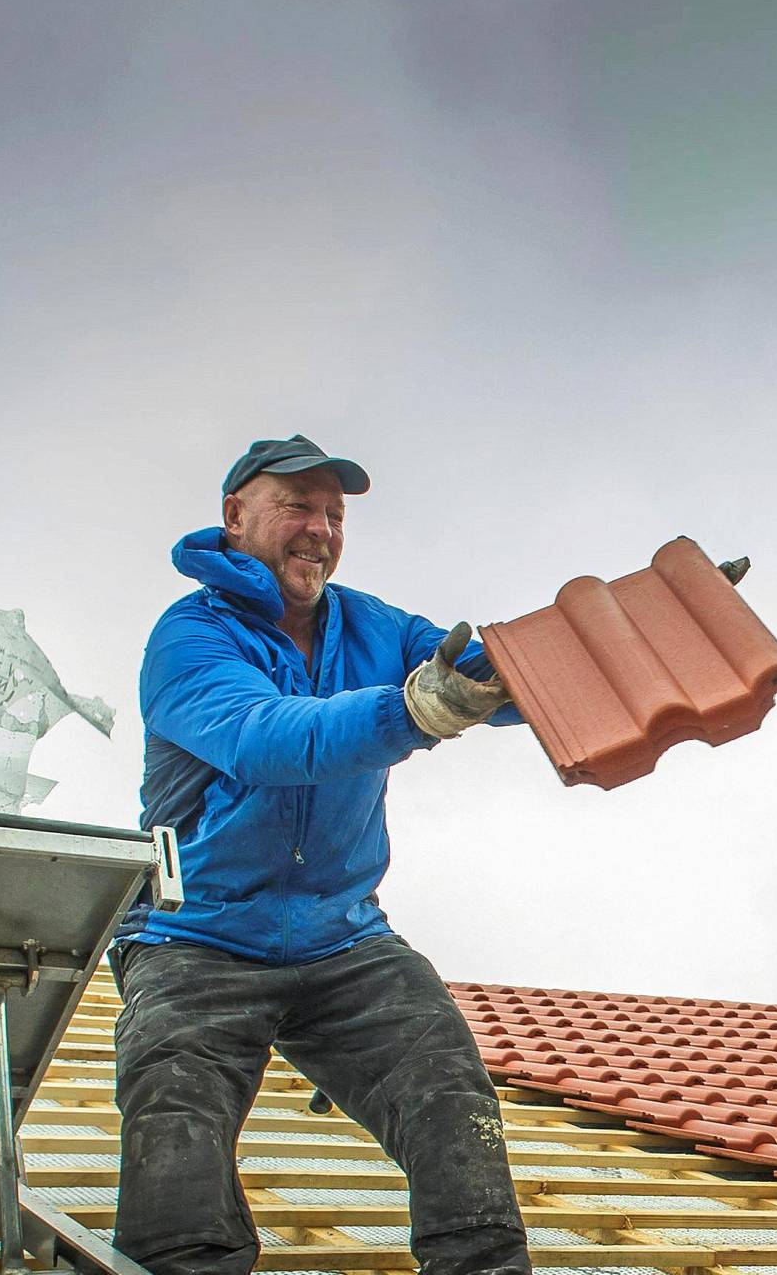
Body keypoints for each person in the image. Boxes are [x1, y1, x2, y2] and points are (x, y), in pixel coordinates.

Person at [113, 435, 527, 1275]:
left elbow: (506, 678)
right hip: (197, 941)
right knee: (175, 1126)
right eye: (298, 506)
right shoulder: (191, 638)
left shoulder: (375, 627)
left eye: (334, 514)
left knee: (450, 1096)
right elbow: (263, 739)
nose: (320, 529)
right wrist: (414, 712)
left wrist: (649, 633)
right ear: (236, 517)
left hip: (345, 941)